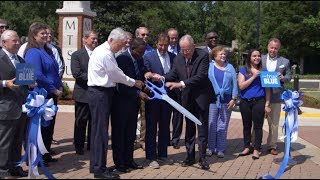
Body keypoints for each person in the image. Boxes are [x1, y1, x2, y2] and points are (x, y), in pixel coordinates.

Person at [87, 27, 144, 179]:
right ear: (111, 40)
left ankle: (95, 165)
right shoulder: (105, 54)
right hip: (100, 93)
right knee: (101, 134)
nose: (121, 48)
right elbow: (116, 75)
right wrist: (134, 83)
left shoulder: (105, 51)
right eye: (119, 44)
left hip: (100, 93)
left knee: (98, 132)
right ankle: (100, 169)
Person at [153, 34, 215, 170]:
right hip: (187, 98)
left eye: (187, 50)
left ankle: (203, 157)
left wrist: (180, 84)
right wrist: (161, 77)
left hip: (201, 97)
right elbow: (173, 74)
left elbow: (201, 76)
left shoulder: (203, 55)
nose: (184, 53)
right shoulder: (179, 57)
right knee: (189, 128)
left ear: (193, 47)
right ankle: (190, 156)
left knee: (202, 127)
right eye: (182, 50)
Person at [24, 22, 63, 166]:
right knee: (39, 128)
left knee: (48, 126)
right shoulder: (33, 52)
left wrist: (59, 86)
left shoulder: (47, 50)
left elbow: (54, 70)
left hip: (51, 93)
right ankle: (35, 157)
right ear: (34, 36)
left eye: (47, 33)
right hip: (41, 95)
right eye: (42, 34)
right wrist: (53, 88)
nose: (47, 35)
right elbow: (38, 74)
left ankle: (45, 154)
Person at [111, 38, 150, 173]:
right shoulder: (122, 59)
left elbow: (140, 78)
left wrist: (146, 88)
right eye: (140, 52)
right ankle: (120, 163)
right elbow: (120, 83)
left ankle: (129, 160)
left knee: (130, 134)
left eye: (143, 52)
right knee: (119, 134)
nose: (142, 55)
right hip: (121, 103)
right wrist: (137, 93)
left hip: (133, 104)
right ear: (132, 49)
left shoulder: (138, 59)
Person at [143, 33, 176, 169]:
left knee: (164, 127)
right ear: (156, 44)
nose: (163, 48)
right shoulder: (148, 56)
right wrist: (150, 75)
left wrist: (164, 78)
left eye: (165, 45)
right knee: (151, 128)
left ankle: (163, 155)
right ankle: (151, 157)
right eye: (160, 45)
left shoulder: (173, 57)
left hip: (168, 98)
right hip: (153, 98)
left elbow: (174, 73)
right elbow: (145, 73)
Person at [0, 30, 29, 178]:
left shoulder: (20, 59)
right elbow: (8, 82)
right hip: (5, 106)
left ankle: (15, 166)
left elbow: (24, 83)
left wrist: (31, 83)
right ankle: (2, 170)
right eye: (14, 41)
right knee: (4, 142)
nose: (18, 43)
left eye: (18, 40)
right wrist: (5, 83)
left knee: (17, 140)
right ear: (4, 43)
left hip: (21, 107)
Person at [237, 49, 271, 160]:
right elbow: (241, 86)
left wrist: (267, 104)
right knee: (246, 126)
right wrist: (253, 76)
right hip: (245, 102)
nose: (257, 58)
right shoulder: (243, 70)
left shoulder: (264, 71)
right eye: (254, 56)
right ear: (249, 58)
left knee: (258, 126)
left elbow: (267, 89)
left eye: (259, 56)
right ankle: (247, 147)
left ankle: (257, 149)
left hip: (259, 101)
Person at [207, 46, 238, 158]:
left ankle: (220, 148)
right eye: (221, 54)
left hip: (226, 100)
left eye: (224, 54)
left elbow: (235, 84)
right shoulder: (209, 67)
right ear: (214, 56)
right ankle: (210, 147)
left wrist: (233, 98)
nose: (223, 56)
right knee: (211, 124)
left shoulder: (230, 67)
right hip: (212, 100)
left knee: (222, 125)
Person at [262, 38, 291, 155]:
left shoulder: (285, 61)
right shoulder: (260, 59)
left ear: (278, 49)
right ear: (267, 47)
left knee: (274, 123)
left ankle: (272, 146)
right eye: (271, 47)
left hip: (275, 96)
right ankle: (255, 145)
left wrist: (283, 78)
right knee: (257, 122)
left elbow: (289, 75)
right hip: (260, 95)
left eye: (275, 48)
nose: (273, 50)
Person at [71, 30, 98, 155]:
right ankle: (79, 145)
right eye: (93, 38)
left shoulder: (99, 53)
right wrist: (94, 77)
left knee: (94, 121)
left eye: (96, 39)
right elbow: (76, 73)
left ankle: (92, 144)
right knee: (81, 121)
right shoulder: (77, 55)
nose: (95, 41)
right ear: (84, 39)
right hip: (83, 93)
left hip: (96, 94)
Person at [135, 26, 155, 150]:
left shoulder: (151, 51)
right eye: (143, 35)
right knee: (131, 115)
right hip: (130, 87)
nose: (145, 37)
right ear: (137, 36)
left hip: (145, 88)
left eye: (147, 34)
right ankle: (131, 139)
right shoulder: (129, 49)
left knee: (144, 116)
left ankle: (142, 140)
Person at [167, 28, 183, 149]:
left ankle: (176, 139)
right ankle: (166, 138)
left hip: (179, 86)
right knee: (166, 114)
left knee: (178, 114)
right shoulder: (162, 49)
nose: (173, 40)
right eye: (171, 38)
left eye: (175, 38)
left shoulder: (182, 50)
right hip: (166, 87)